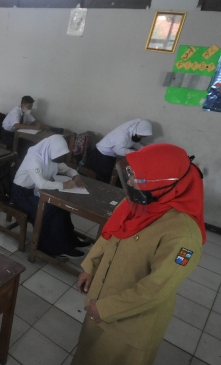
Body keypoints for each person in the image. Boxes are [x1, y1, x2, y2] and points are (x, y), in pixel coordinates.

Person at [72, 143, 205, 365]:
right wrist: (90, 267)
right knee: (88, 355)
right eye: (132, 175)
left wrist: (105, 308)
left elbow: (156, 288)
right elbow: (111, 234)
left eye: (140, 178)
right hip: (101, 299)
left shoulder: (183, 236)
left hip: (130, 324)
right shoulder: (138, 202)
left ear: (164, 184)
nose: (132, 183)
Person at [11, 135, 88, 258]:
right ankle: (52, 247)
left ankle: (71, 239)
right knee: (50, 210)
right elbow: (41, 183)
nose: (60, 158)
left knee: (62, 207)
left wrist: (76, 175)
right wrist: (65, 185)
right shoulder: (34, 158)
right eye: (59, 155)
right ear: (50, 149)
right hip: (22, 194)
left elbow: (66, 169)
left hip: (36, 192)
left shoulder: (50, 155)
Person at [85, 119, 153, 183]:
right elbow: (118, 150)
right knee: (102, 179)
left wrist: (144, 149)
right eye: (141, 136)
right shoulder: (122, 135)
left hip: (107, 156)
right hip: (100, 157)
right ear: (137, 131)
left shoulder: (132, 132)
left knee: (112, 176)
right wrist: (137, 153)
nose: (141, 138)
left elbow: (134, 142)